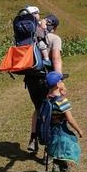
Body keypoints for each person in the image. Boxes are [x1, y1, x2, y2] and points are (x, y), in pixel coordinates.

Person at [24, 13, 63, 162]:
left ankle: (33, 139)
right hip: (45, 80)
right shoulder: (54, 38)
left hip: (31, 79)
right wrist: (59, 80)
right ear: (56, 27)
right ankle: (47, 151)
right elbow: (55, 58)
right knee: (50, 112)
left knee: (38, 108)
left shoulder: (33, 36)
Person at [43, 71, 83, 172]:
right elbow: (70, 120)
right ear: (58, 84)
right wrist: (79, 130)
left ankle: (64, 167)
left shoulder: (47, 98)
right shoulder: (62, 102)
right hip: (60, 132)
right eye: (62, 81)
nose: (64, 82)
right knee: (57, 159)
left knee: (58, 154)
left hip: (51, 131)